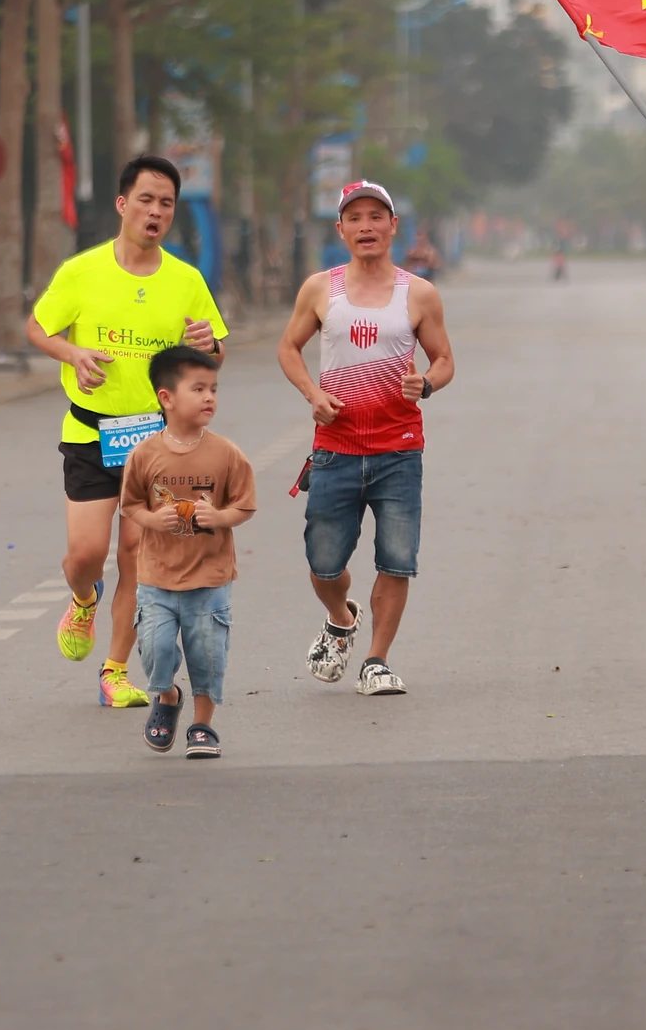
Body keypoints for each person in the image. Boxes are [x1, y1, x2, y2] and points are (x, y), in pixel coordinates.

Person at [28, 155, 228, 710]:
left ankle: (115, 670)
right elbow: (38, 326)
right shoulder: (82, 272)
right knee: (85, 554)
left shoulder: (186, 281)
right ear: (122, 204)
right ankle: (82, 596)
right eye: (146, 199)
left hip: (159, 444)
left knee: (138, 555)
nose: (156, 211)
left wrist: (208, 342)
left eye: (166, 203)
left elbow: (215, 352)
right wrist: (71, 351)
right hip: (92, 434)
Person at [278, 179, 456, 696]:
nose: (366, 227)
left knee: (396, 559)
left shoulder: (418, 293)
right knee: (324, 562)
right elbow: (289, 348)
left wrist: (427, 382)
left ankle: (376, 660)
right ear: (341, 229)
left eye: (376, 217)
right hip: (334, 448)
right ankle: (341, 615)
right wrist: (312, 392)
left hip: (399, 449)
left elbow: (444, 360)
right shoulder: (320, 288)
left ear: (392, 226)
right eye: (354, 219)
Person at [119, 345, 258, 758]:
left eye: (213, 388)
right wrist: (151, 521)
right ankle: (167, 698)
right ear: (167, 398)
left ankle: (202, 725)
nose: (209, 397)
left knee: (207, 653)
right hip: (157, 576)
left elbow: (245, 505)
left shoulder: (226, 453)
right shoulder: (144, 454)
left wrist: (219, 517)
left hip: (209, 577)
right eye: (198, 389)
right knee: (156, 647)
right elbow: (130, 505)